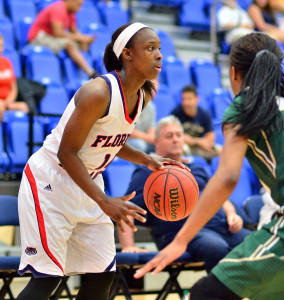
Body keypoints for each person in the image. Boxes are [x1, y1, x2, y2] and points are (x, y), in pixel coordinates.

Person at [16, 22, 186, 300]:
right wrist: (104, 201)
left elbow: (111, 139)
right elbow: (66, 152)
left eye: (160, 49)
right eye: (151, 48)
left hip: (88, 181)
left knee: (102, 276)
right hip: (52, 180)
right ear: (128, 54)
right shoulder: (98, 92)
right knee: (47, 280)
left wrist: (147, 160)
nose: (159, 55)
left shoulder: (142, 94)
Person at [134, 32, 284, 300]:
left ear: (233, 72)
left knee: (205, 294)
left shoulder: (245, 107)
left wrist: (181, 240)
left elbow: (227, 178)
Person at [118, 115, 251, 273]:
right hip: (180, 233)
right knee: (217, 247)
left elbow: (218, 196)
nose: (175, 139)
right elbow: (127, 208)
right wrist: (128, 246)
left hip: (221, 226)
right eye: (169, 136)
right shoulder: (147, 173)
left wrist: (231, 215)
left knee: (256, 243)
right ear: (156, 142)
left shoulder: (196, 167)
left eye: (179, 135)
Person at [28, 0, 96, 78]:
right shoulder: (58, 9)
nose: (79, 9)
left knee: (79, 42)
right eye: (78, 5)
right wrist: (81, 38)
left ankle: (82, 77)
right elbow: (58, 33)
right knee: (68, 43)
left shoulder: (71, 12)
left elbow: (74, 32)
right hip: (39, 38)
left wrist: (84, 40)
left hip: (52, 38)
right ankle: (90, 73)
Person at [170, 84, 221, 161]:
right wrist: (198, 141)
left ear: (197, 99)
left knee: (220, 150)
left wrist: (195, 141)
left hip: (199, 147)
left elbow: (211, 139)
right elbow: (175, 137)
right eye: (183, 99)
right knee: (179, 149)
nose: (186, 103)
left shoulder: (204, 114)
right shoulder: (176, 113)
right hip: (184, 146)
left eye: (189, 99)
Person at [0, 34, 29, 121]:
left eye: (1, 45)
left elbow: (14, 88)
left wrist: (8, 102)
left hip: (7, 102)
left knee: (23, 106)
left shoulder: (6, 62)